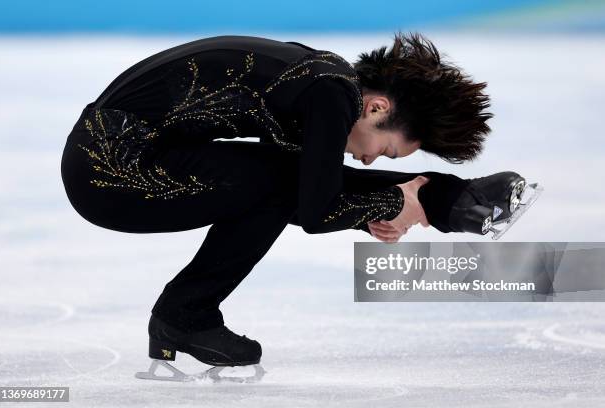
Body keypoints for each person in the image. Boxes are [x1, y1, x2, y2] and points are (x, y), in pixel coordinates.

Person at [60, 33, 529, 376]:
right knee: (275, 183)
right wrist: (392, 202)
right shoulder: (329, 95)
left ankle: (453, 198)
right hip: (111, 170)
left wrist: (393, 205)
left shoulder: (324, 81)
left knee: (275, 178)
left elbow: (310, 186)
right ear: (377, 108)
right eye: (384, 150)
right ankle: (184, 316)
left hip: (113, 158)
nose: (367, 158)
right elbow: (313, 209)